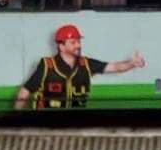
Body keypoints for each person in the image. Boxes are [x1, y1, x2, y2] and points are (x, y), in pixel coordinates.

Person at [13, 24, 146, 111]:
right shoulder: (47, 66)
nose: (78, 45)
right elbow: (25, 91)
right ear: (61, 46)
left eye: (78, 41)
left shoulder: (86, 64)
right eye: (73, 42)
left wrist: (132, 63)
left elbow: (115, 67)